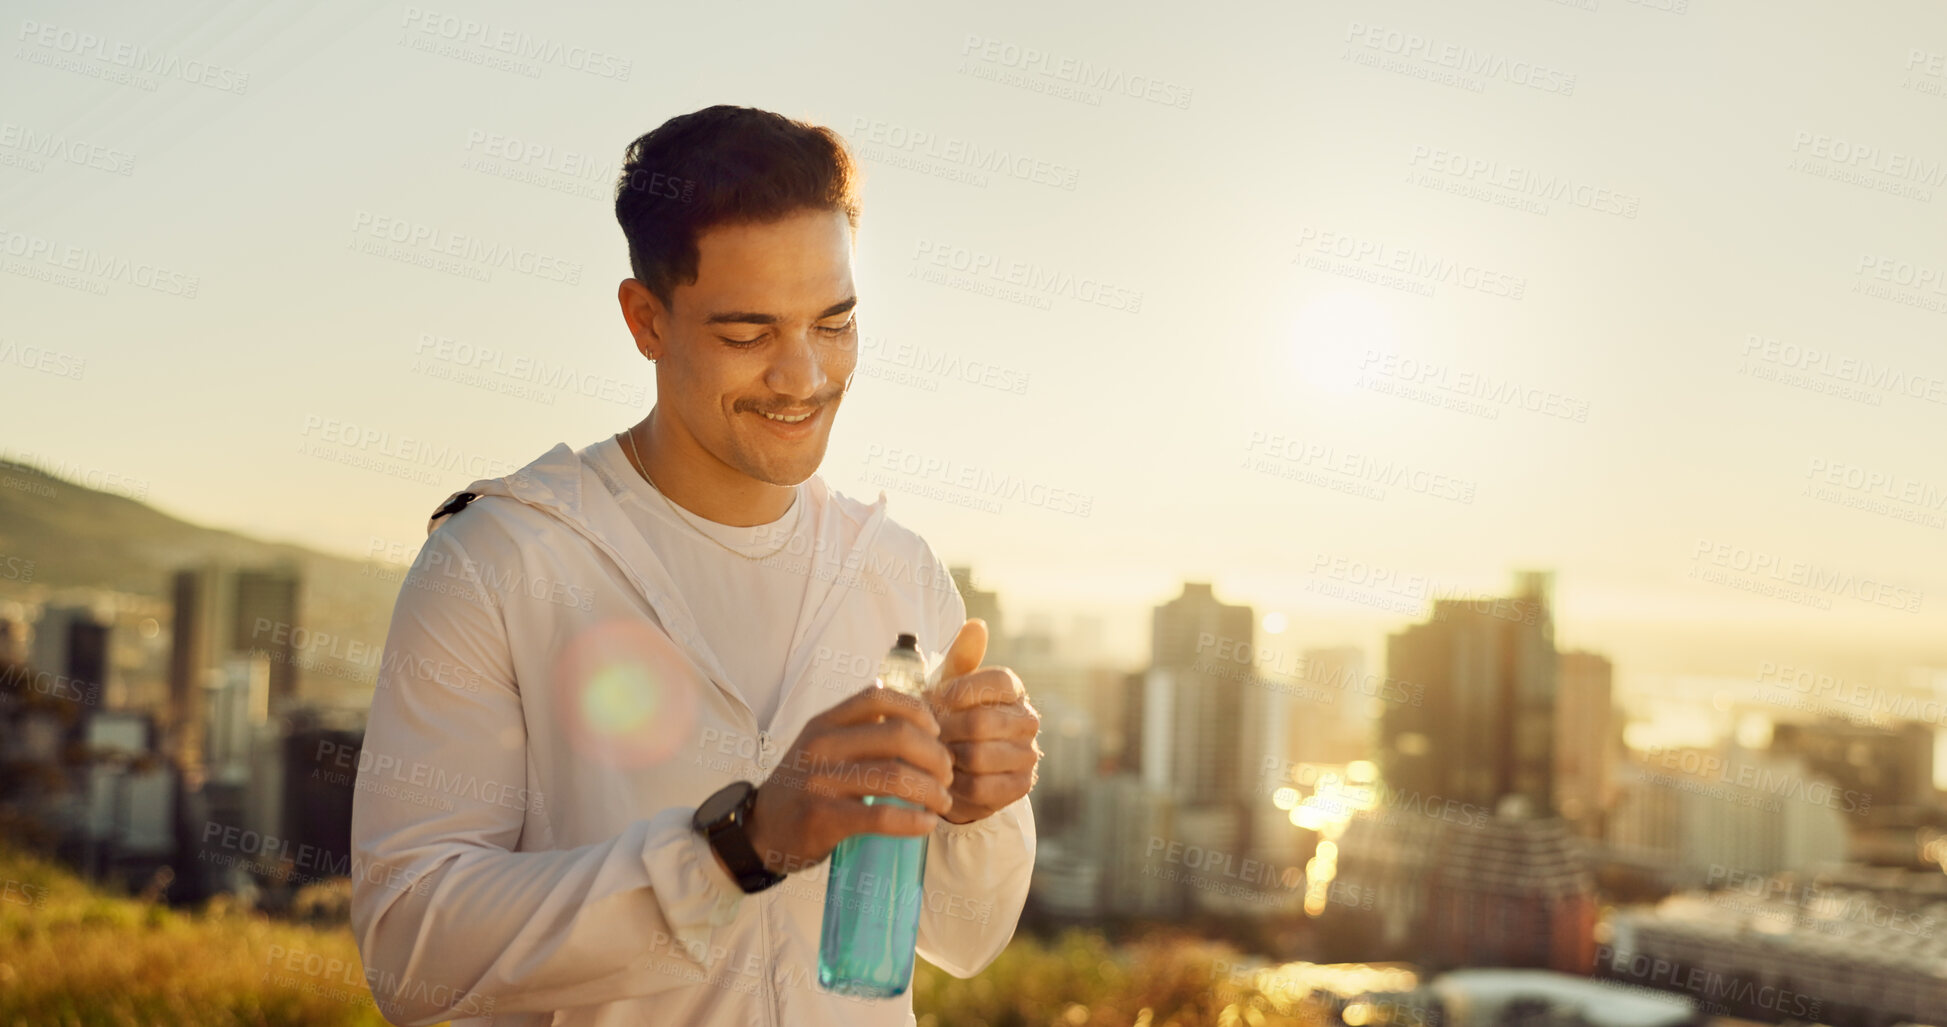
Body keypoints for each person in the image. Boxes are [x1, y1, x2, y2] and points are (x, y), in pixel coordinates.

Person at [348, 104, 1041, 1027]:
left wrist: (975, 810)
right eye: (749, 334)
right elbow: (410, 948)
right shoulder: (498, 558)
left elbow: (963, 938)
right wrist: (738, 848)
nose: (803, 377)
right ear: (646, 320)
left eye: (833, 323)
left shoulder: (899, 572)